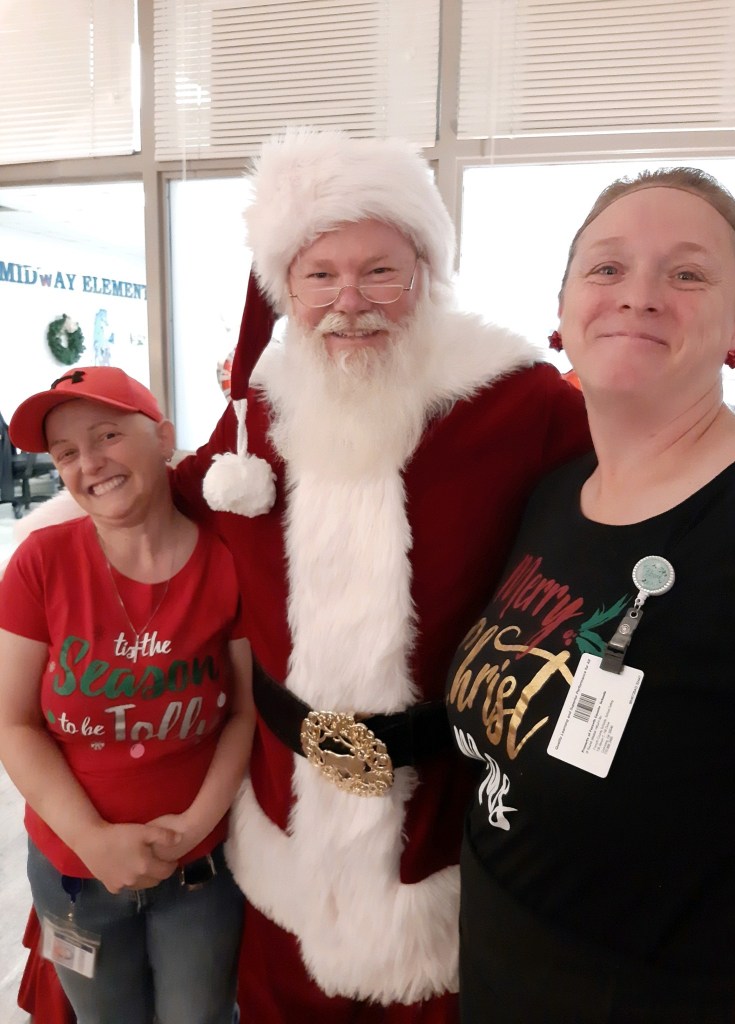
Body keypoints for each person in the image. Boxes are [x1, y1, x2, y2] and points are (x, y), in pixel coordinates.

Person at [12, 128, 592, 1023]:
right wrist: (56, 536)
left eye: (379, 272)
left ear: (427, 274)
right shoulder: (261, 407)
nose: (347, 303)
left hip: (441, 816)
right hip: (284, 808)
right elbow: (180, 495)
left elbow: (623, 505)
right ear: (285, 289)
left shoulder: (519, 401)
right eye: (319, 275)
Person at [446, 167, 735, 1022]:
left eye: (686, 273)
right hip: (499, 974)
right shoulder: (557, 495)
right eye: (606, 268)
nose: (639, 295)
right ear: (561, 311)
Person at [0, 366, 254, 1024]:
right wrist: (91, 839)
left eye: (107, 435)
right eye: (65, 453)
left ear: (163, 437)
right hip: (73, 879)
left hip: (201, 872)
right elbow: (13, 724)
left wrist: (193, 828)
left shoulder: (227, 561)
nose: (89, 464)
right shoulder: (39, 564)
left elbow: (243, 714)